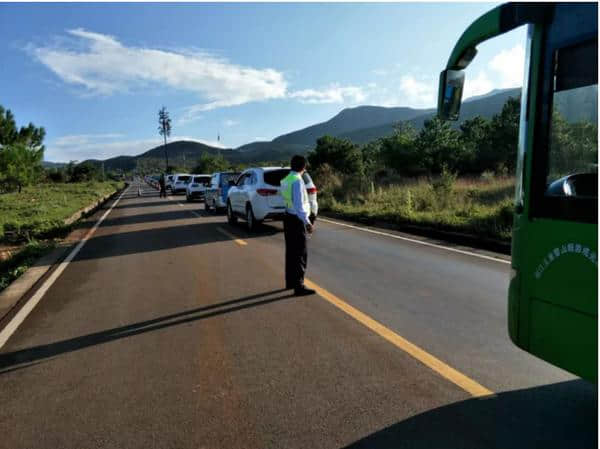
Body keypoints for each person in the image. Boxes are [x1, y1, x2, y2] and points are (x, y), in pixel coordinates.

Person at [280, 155, 316, 296]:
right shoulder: (298, 181)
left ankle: (290, 282)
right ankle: (298, 286)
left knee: (291, 252)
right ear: (304, 167)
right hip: (296, 219)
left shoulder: (286, 179)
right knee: (300, 254)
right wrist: (307, 222)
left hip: (288, 217)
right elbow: (299, 205)